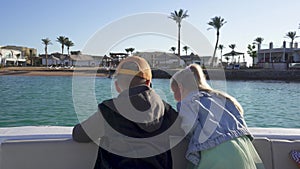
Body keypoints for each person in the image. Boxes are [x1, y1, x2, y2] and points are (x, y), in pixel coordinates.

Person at [72, 56, 184, 169]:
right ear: (148, 82)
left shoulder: (109, 110)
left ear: (117, 86)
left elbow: (80, 135)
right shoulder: (166, 110)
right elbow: (181, 129)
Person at [170, 63, 265, 169]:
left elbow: (188, 126)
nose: (174, 97)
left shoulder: (188, 102)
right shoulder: (222, 97)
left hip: (217, 153)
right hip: (242, 148)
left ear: (181, 87)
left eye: (174, 92)